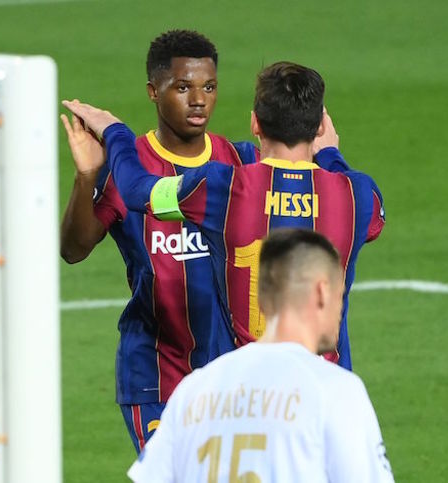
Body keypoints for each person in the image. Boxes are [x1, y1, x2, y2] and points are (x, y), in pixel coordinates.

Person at [61, 61, 385, 373]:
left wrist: (115, 132)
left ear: (255, 123)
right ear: (319, 128)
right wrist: (330, 154)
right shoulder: (357, 195)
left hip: (248, 395)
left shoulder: (222, 187)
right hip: (324, 392)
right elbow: (372, 222)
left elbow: (135, 190)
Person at [60, 29, 258, 452]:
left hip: (234, 378)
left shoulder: (242, 162)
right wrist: (87, 175)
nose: (199, 100)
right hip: (155, 376)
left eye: (209, 87)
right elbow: (73, 250)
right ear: (154, 91)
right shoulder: (128, 167)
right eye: (183, 87)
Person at [128, 229, 394, 482]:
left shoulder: (194, 390)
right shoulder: (335, 390)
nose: (341, 311)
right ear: (322, 291)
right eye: (341, 295)